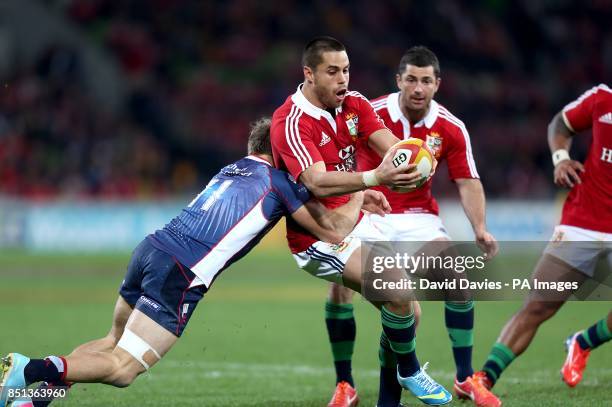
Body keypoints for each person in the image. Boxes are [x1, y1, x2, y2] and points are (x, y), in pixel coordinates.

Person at [0, 117, 390, 407]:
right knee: (122, 369)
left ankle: (27, 399)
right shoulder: (279, 182)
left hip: (152, 249)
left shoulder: (231, 169)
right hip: (181, 271)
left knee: (112, 341)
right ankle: (29, 368)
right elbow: (334, 231)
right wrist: (364, 187)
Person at [271, 36, 452, 406]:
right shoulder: (291, 120)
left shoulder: (354, 104)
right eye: (333, 72)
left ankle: (389, 400)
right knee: (399, 293)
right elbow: (316, 181)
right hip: (318, 235)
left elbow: (387, 143)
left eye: (347, 70)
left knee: (408, 312)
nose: (343, 80)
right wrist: (372, 180)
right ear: (309, 73)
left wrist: (414, 159)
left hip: (355, 219)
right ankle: (409, 371)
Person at [321, 46, 501, 407]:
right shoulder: (368, 112)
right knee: (341, 290)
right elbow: (337, 155)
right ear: (399, 80)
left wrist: (479, 227)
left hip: (419, 217)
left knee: (456, 277)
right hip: (370, 213)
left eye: (426, 81)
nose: (418, 88)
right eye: (412, 80)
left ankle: (465, 378)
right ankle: (345, 385)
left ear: (437, 84)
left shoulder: (450, 126)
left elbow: (467, 180)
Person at [476, 84, 612, 393]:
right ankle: (483, 379)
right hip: (583, 222)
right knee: (538, 306)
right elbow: (560, 124)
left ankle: (583, 342)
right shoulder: (603, 99)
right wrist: (561, 158)